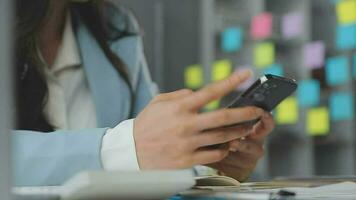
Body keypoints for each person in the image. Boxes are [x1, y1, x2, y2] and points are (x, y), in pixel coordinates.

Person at [13, 0, 274, 186]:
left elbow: (152, 148)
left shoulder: (116, 27)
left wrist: (208, 163)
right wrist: (121, 148)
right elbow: (135, 145)